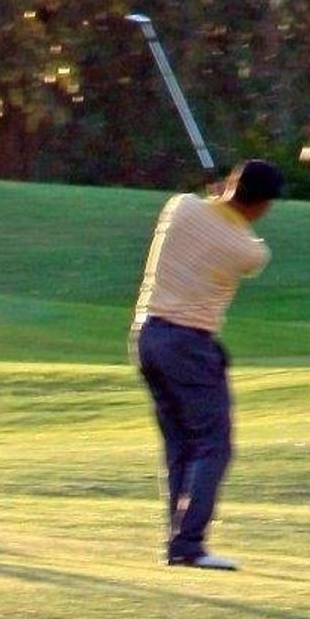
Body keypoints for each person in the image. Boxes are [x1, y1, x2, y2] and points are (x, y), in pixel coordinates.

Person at [131, 158, 283, 571]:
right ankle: (189, 543)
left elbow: (204, 211)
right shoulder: (247, 250)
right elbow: (252, 249)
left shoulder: (179, 207)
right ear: (263, 205)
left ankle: (180, 541)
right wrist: (229, 208)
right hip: (189, 344)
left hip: (147, 337)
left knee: (181, 444)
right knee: (213, 444)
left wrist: (218, 201)